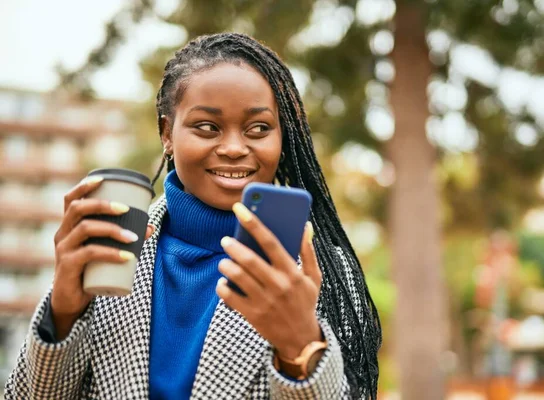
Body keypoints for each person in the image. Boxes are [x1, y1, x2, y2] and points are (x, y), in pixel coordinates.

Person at [5, 33, 381, 399]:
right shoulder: (109, 253)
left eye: (259, 128)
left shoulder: (323, 275)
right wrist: (63, 314)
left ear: (282, 139)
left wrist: (301, 347)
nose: (234, 148)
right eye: (207, 127)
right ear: (167, 133)